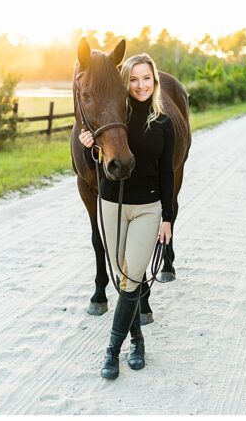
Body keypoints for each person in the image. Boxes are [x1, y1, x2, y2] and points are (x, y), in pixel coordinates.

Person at [79, 53, 175, 379]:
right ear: (125, 83)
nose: (140, 85)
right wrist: (89, 146)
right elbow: (97, 167)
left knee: (132, 277)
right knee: (123, 277)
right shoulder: (115, 114)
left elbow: (167, 174)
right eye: (133, 79)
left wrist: (167, 218)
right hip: (112, 205)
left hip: (148, 208)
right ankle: (138, 340)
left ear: (155, 81)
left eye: (146, 78)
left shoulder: (164, 123)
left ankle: (111, 350)